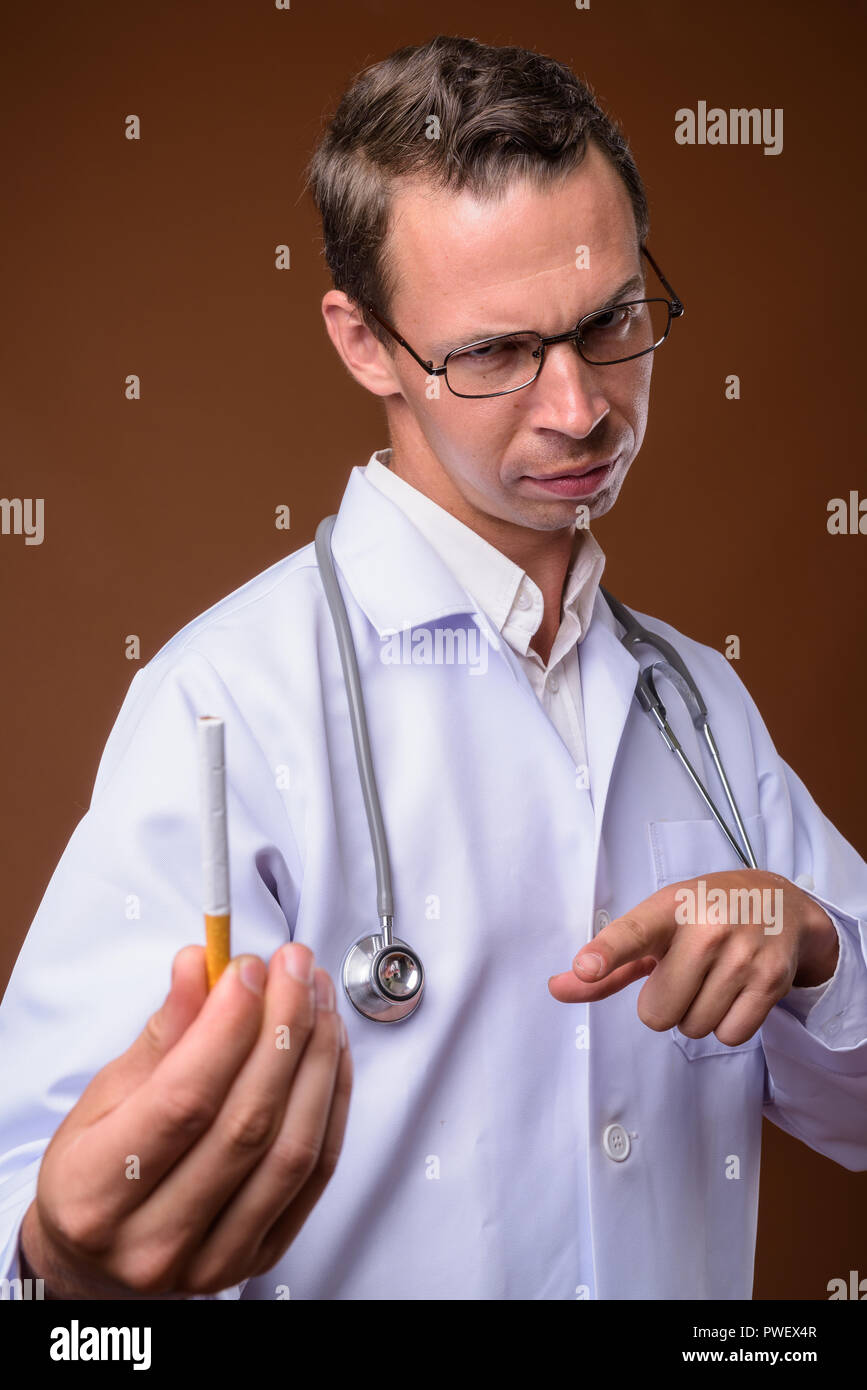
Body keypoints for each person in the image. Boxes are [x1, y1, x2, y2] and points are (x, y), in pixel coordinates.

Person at [2, 34, 865, 1303]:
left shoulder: (697, 703)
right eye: (496, 353)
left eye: (614, 321)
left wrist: (819, 951)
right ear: (364, 344)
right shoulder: (227, 701)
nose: (579, 407)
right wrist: (58, 1264)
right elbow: (44, 1199)